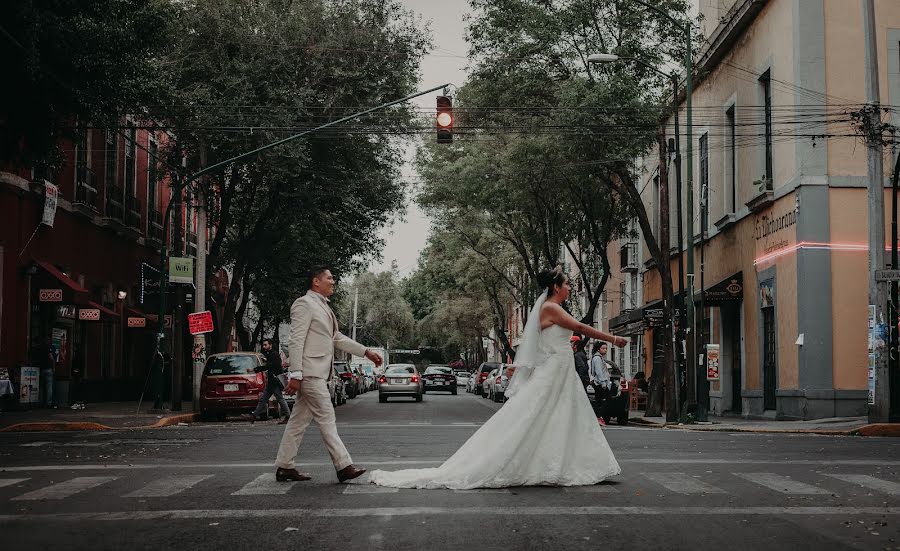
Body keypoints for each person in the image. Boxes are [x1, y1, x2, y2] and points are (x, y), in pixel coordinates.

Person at [369, 266, 627, 489]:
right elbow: (580, 327)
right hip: (555, 370)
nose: (570, 287)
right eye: (567, 284)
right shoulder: (552, 308)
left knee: (560, 416)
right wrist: (613, 338)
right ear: (555, 287)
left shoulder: (549, 308)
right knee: (536, 416)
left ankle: (563, 463)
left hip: (559, 370)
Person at [274, 266, 383, 483]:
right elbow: (296, 340)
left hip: (316, 373)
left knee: (297, 422)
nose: (333, 281)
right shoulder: (304, 304)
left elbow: (337, 337)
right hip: (310, 372)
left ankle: (285, 466)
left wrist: (366, 352)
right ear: (316, 281)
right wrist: (295, 374)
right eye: (329, 278)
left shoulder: (323, 306)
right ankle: (343, 466)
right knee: (327, 418)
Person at [251, 338, 290, 424]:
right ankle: (254, 416)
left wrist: (259, 368)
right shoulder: (269, 354)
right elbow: (269, 366)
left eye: (266, 345)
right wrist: (259, 368)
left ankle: (288, 416)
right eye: (263, 345)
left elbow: (273, 367)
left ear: (270, 345)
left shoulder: (274, 354)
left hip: (275, 381)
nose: (264, 347)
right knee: (264, 399)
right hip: (272, 382)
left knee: (279, 399)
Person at [590, 342, 613, 424]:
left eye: (606, 348)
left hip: (600, 383)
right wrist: (603, 382)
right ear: (598, 349)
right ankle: (598, 417)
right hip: (599, 384)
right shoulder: (597, 358)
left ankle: (598, 417)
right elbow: (598, 371)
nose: (605, 350)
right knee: (604, 401)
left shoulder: (599, 358)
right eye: (603, 348)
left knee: (600, 401)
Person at [41, 335, 58, 408]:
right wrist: (53, 367)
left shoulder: (41, 347)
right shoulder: (50, 347)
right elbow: (52, 357)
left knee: (42, 386)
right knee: (49, 387)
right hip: (48, 368)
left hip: (41, 368)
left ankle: (41, 401)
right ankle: (48, 403)